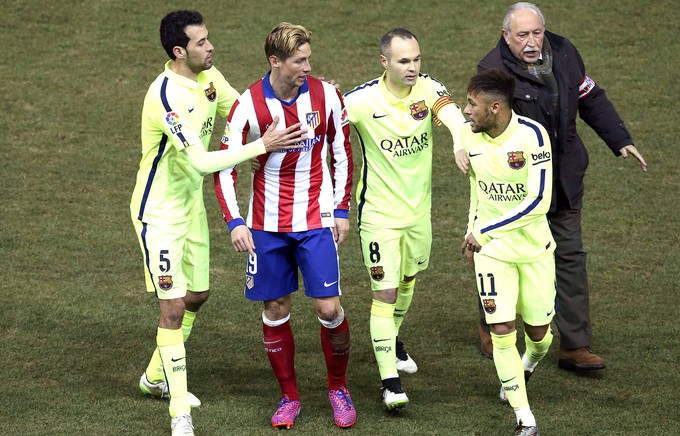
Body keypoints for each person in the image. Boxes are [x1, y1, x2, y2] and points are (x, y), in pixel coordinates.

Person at [130, 10, 304, 436]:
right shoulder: (166, 96)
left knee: (198, 295)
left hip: (189, 207)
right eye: (201, 43)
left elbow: (248, 109)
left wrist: (306, 95)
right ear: (179, 51)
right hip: (159, 213)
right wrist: (261, 146)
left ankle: (154, 377)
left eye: (209, 39)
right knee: (171, 306)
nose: (211, 48)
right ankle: (178, 412)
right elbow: (202, 161)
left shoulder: (209, 78)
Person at [473, 2, 647, 371]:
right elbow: (482, 124)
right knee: (502, 254)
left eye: (536, 32)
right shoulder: (492, 69)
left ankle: (575, 344)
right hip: (514, 184)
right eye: (522, 35)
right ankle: (493, 326)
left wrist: (619, 139)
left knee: (568, 255)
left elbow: (589, 96)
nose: (532, 42)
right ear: (506, 35)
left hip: (564, 176)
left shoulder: (564, 51)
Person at [213, 22, 356, 430]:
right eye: (299, 61)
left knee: (329, 308)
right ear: (275, 61)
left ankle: (338, 388)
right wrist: (235, 221)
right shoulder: (248, 105)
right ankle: (289, 396)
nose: (307, 67)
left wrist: (341, 208)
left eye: (308, 58)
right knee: (275, 308)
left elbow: (341, 152)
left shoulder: (326, 95)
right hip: (265, 225)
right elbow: (224, 166)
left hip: (316, 221)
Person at [343, 28, 467, 410]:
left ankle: (392, 340)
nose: (412, 68)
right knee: (385, 292)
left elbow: (456, 118)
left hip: (419, 214)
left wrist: (460, 143)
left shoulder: (428, 90)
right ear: (385, 62)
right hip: (379, 214)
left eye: (416, 59)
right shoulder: (362, 101)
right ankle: (389, 383)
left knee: (409, 280)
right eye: (403, 61)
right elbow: (326, 125)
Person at [460, 68, 555, 436]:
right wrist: (473, 232)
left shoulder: (533, 136)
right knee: (501, 329)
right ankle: (524, 418)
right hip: (492, 252)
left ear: (495, 108)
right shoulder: (471, 137)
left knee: (539, 332)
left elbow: (539, 201)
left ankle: (529, 362)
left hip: (533, 249)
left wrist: (483, 230)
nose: (467, 110)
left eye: (472, 104)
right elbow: (478, 191)